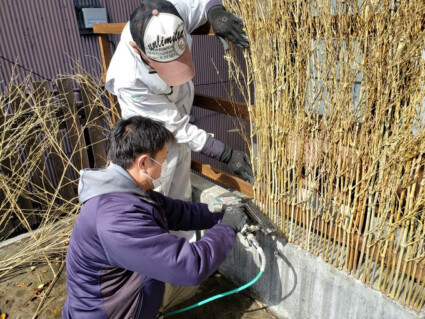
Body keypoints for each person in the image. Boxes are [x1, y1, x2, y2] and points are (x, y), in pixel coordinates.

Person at [62, 116, 248, 319]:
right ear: (143, 162)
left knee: (184, 287)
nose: (164, 166)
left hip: (118, 299)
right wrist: (228, 228)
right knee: (189, 280)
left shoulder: (127, 191)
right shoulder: (116, 218)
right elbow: (190, 266)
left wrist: (221, 213)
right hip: (109, 313)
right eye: (162, 160)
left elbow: (178, 212)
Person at [106, 0, 254, 208]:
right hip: (151, 139)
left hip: (180, 127)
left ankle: (182, 237)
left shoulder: (169, 16)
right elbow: (175, 126)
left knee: (181, 197)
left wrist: (216, 13)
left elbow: (202, 3)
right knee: (156, 197)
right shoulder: (129, 78)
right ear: (136, 49)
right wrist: (225, 154)